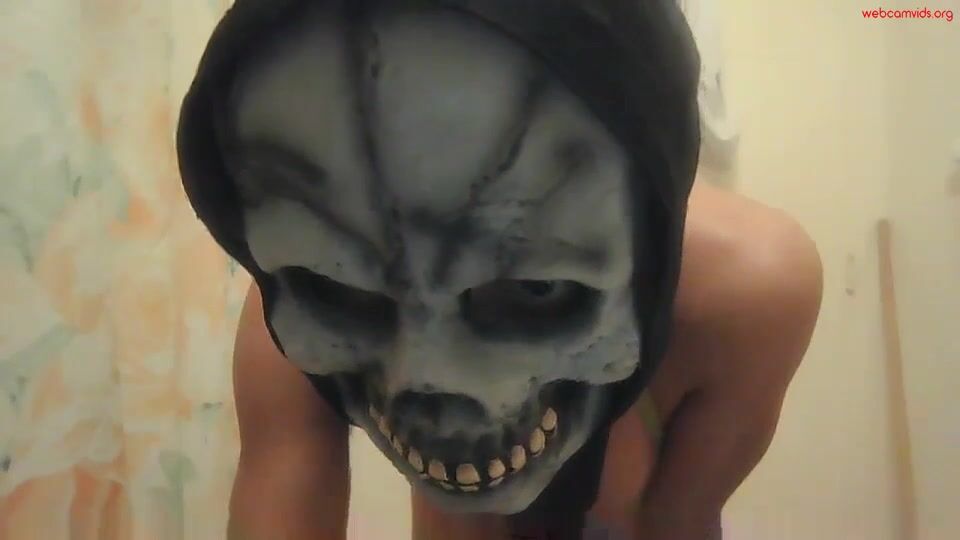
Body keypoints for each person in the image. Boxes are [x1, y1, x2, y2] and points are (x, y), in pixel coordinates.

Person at [177, 1, 823, 539]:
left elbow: (677, 520)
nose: (428, 376)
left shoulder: (745, 296)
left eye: (533, 289)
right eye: (348, 285)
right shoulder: (297, 309)